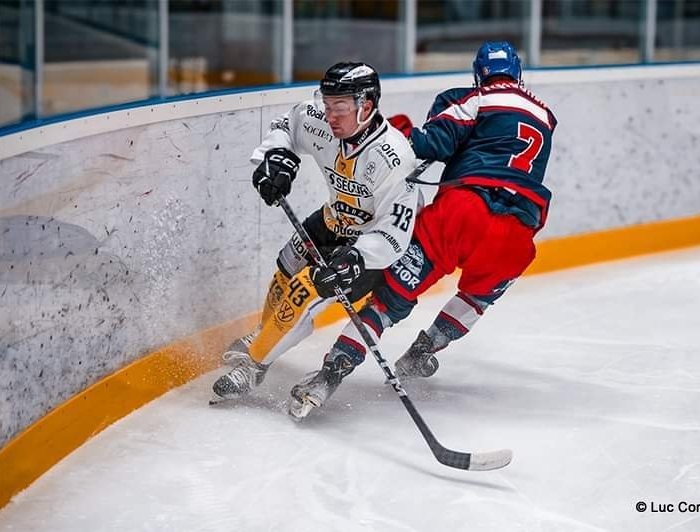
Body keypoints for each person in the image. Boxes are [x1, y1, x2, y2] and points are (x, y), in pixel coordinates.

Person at [289, 41, 557, 419]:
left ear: (479, 74)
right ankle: (423, 351)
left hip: (463, 214)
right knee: (477, 299)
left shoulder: (476, 99)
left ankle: (329, 374)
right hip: (517, 234)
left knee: (387, 303)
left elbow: (430, 144)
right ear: (518, 73)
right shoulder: (545, 116)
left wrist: (396, 134)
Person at [212, 62, 419, 401]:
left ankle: (253, 366)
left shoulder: (394, 158)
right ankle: (265, 334)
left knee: (304, 291)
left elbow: (395, 234)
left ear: (366, 106)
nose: (330, 115)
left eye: (340, 107)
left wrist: (357, 258)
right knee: (286, 269)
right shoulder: (322, 120)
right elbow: (289, 124)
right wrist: (277, 155)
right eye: (327, 104)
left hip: (365, 249)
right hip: (331, 220)